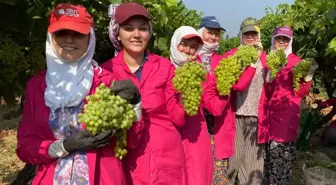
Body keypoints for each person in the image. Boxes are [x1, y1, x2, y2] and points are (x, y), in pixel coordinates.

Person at [16, 4, 140, 185]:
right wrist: (63, 146)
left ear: (90, 38)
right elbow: (25, 147)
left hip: (103, 178)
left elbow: (132, 140)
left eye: (78, 34)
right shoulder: (37, 86)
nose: (69, 40)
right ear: (51, 38)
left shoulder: (107, 82)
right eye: (61, 33)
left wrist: (136, 106)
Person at [102, 3, 188, 185]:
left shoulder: (165, 67)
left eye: (142, 29)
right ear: (117, 33)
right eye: (128, 28)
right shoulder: (106, 72)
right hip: (127, 160)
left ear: (149, 33)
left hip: (166, 158)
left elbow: (178, 119)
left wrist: (187, 95)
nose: (136, 35)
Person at [169, 26, 230, 185]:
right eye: (184, 44)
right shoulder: (161, 69)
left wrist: (225, 88)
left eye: (193, 47)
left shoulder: (200, 72)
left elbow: (215, 108)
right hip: (169, 141)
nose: (188, 50)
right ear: (175, 42)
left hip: (196, 139)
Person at [210, 17, 267, 185]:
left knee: (253, 159)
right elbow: (235, 86)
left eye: (254, 33)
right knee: (234, 158)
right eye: (247, 33)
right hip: (234, 115)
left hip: (256, 114)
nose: (250, 37)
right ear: (241, 35)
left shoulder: (265, 57)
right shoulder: (231, 56)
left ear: (259, 35)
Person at [263, 26, 317, 185]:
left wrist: (308, 78)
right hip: (268, 116)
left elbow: (300, 92)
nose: (281, 42)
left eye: (285, 39)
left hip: (286, 117)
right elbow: (267, 93)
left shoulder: (297, 62)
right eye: (279, 38)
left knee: (281, 158)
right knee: (267, 159)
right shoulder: (268, 61)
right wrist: (269, 78)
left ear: (290, 41)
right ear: (273, 40)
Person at [196, 16, 230, 183]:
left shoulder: (223, 61)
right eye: (210, 32)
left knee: (217, 172)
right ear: (201, 32)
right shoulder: (188, 57)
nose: (213, 37)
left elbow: (225, 91)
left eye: (217, 34)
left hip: (216, 122)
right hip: (195, 122)